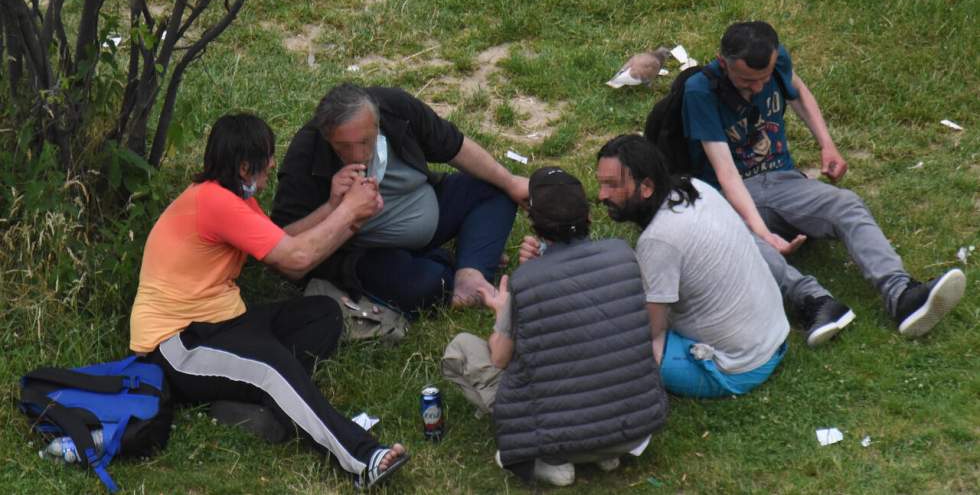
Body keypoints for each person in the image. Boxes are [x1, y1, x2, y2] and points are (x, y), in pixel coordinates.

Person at [128, 114, 407, 489]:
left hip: (224, 324)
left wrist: (335, 206)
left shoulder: (231, 197)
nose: (273, 164)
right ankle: (363, 458)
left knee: (322, 315)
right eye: (267, 157)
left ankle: (258, 404)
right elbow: (297, 260)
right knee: (273, 366)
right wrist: (347, 212)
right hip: (178, 343)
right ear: (245, 167)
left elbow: (281, 244)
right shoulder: (214, 202)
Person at [682, 21, 965, 343]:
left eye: (764, 79)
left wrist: (827, 144)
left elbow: (798, 91)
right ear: (723, 63)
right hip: (731, 196)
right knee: (743, 243)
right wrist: (763, 232)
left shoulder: (778, 59)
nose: (758, 88)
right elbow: (726, 174)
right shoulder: (700, 91)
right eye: (747, 81)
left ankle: (902, 295)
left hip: (782, 180)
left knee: (845, 203)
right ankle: (815, 302)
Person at [441, 166, 666, 487]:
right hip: (634, 428)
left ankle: (553, 462)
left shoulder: (525, 283)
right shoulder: (623, 254)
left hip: (559, 437)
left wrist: (502, 310)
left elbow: (501, 358)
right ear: (588, 215)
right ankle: (605, 452)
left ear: (534, 224)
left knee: (461, 348)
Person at [518, 135, 788, 398]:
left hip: (737, 368)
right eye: (601, 184)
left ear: (646, 187)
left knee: (611, 344)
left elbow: (648, 328)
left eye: (612, 185)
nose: (601, 195)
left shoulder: (660, 241)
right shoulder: (695, 187)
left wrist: (555, 273)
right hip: (773, 338)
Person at [272, 83, 528, 316]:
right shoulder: (307, 152)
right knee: (427, 286)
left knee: (495, 188)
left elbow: (453, 145)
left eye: (365, 141)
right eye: (343, 147)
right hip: (368, 251)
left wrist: (511, 182)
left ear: (377, 122)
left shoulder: (395, 107)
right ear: (327, 137)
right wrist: (335, 208)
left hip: (425, 205)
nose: (358, 154)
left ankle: (469, 274)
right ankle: (448, 262)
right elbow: (282, 243)